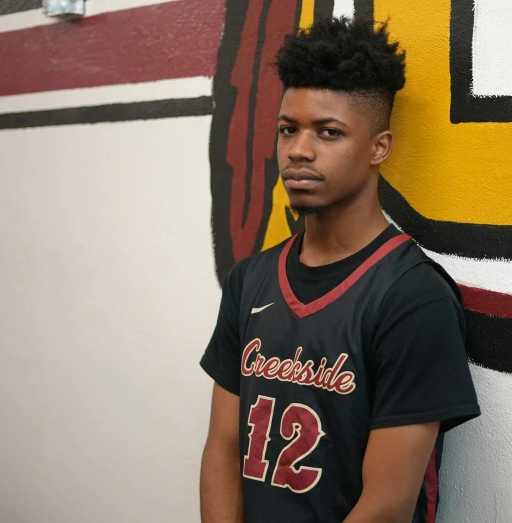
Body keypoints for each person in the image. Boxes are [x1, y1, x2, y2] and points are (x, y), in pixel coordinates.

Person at [199, 16, 480, 523]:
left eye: (329, 133)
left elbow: (386, 507)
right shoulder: (250, 281)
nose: (299, 151)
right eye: (289, 130)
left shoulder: (414, 296)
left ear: (379, 148)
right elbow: (223, 446)